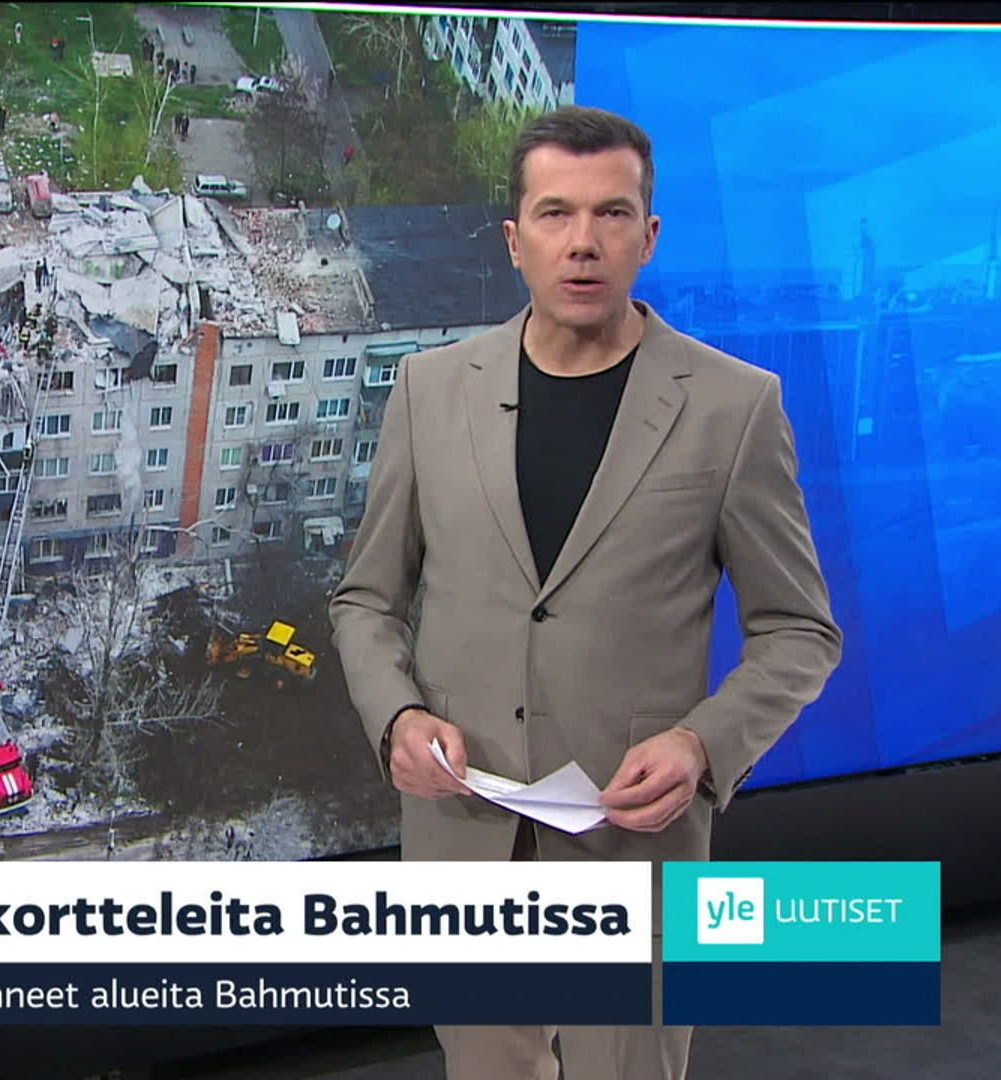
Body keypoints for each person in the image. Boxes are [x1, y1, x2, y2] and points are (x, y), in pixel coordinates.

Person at [328, 106, 841, 1080]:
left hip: (632, 844)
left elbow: (799, 632)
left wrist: (702, 745)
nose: (583, 242)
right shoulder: (431, 390)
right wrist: (396, 713)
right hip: (464, 835)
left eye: (612, 214)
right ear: (514, 239)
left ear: (649, 236)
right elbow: (366, 600)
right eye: (556, 213)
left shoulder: (734, 407)